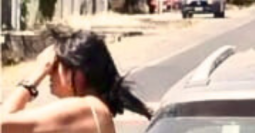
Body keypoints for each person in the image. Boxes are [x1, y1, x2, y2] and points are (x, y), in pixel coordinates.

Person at [1, 26, 153, 133]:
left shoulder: (84, 108)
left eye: (54, 67)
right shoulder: (94, 109)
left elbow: (3, 125)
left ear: (78, 74)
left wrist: (36, 75)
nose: (49, 74)